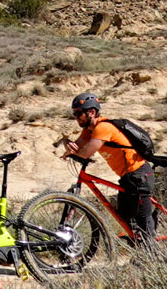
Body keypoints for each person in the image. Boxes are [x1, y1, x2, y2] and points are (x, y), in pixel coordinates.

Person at [63, 92, 155, 242]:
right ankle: (140, 250)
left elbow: (85, 153)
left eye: (79, 113)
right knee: (125, 219)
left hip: (139, 175)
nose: (76, 118)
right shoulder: (89, 131)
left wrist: (72, 151)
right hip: (127, 178)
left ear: (92, 112)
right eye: (74, 114)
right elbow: (76, 147)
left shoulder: (103, 127)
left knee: (143, 221)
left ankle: (152, 255)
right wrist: (65, 142)